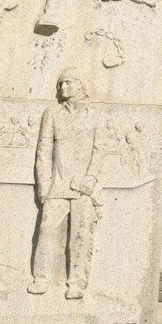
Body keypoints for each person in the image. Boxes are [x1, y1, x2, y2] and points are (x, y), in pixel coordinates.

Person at [29, 67, 100, 298]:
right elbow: (44, 151)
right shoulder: (52, 113)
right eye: (60, 84)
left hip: (82, 188)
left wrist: (91, 178)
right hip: (57, 187)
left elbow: (99, 151)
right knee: (47, 230)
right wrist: (43, 186)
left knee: (80, 236)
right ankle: (41, 278)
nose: (63, 87)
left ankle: (77, 283)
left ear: (81, 85)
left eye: (68, 83)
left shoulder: (95, 115)